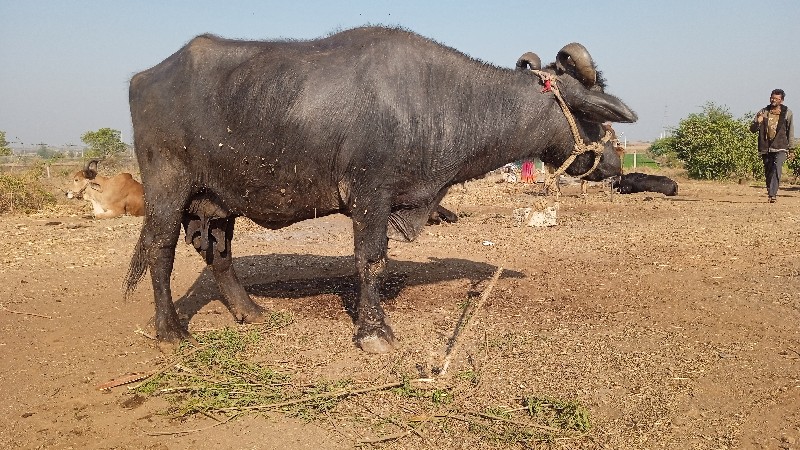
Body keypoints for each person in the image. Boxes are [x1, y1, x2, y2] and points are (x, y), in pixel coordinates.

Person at [750, 89, 796, 203]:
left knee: (777, 167)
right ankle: (771, 190)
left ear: (782, 100)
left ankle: (772, 194)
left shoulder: (787, 113)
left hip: (781, 146)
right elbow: (752, 129)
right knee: (769, 170)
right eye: (772, 98)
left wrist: (791, 149)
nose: (773, 100)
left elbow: (790, 131)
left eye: (776, 98)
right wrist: (758, 122)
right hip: (766, 146)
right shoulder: (763, 111)